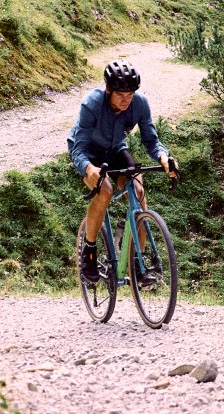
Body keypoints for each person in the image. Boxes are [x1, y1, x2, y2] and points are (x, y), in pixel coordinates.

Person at [67, 60, 176, 283]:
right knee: (104, 190)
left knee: (137, 190)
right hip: (89, 153)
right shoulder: (92, 104)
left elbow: (151, 140)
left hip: (116, 149)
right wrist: (89, 168)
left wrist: (165, 158)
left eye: (130, 94)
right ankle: (88, 252)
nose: (127, 100)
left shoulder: (140, 104)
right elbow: (78, 149)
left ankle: (138, 262)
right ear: (108, 90)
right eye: (120, 95)